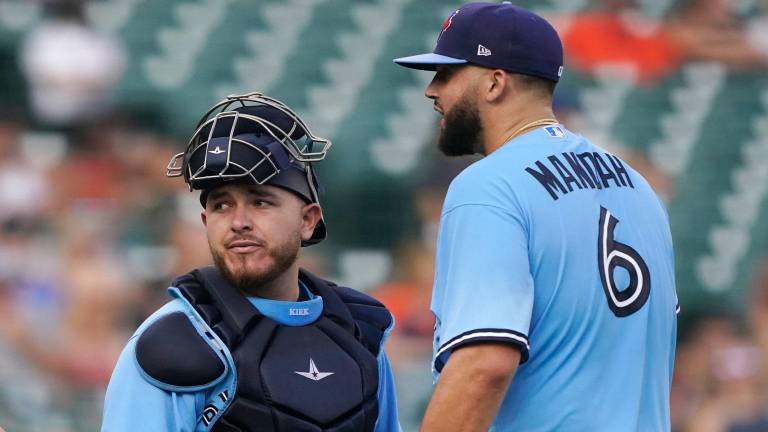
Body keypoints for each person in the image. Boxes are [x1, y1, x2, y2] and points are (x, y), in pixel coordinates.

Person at [393, 3, 678, 431]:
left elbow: (484, 364)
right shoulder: (637, 187)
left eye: (447, 74)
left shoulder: (489, 186)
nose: (432, 91)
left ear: (494, 83)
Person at [101, 93, 401, 432]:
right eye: (221, 205)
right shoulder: (173, 340)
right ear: (205, 222)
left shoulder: (359, 334)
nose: (238, 222)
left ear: (308, 220)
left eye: (260, 202)